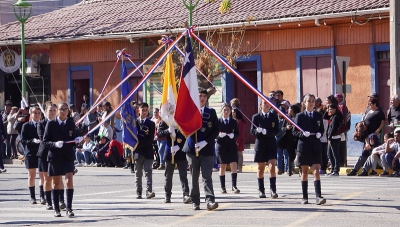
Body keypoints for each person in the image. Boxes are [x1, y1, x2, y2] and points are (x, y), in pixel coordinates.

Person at [43, 102, 83, 217]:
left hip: (68, 156)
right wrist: (55, 144)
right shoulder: (51, 124)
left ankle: (69, 208)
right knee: (56, 183)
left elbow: (74, 138)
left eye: (66, 109)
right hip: (55, 157)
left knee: (69, 180)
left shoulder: (71, 124)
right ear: (57, 110)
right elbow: (45, 142)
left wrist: (78, 140)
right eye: (61, 109)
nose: (63, 111)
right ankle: (56, 209)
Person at [183, 89, 219, 211]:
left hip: (207, 149)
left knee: (207, 176)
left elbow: (215, 130)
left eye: (204, 96)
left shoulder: (211, 112)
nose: (202, 98)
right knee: (194, 176)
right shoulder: (190, 112)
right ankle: (195, 201)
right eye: (200, 96)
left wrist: (206, 142)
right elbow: (184, 128)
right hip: (192, 149)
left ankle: (210, 200)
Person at [292, 93, 326, 205]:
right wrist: (303, 134)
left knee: (316, 171)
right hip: (304, 147)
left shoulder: (318, 115)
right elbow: (294, 132)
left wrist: (319, 134)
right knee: (305, 172)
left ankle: (318, 196)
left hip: (315, 146)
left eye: (313, 101)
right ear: (304, 103)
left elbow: (321, 129)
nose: (311, 103)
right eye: (309, 101)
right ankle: (304, 197)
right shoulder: (300, 116)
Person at [250, 100, 279, 199]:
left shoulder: (274, 117)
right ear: (261, 105)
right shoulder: (256, 117)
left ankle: (273, 190)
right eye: (264, 103)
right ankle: (261, 190)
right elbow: (252, 131)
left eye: (268, 103)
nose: (266, 105)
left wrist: (266, 131)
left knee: (272, 167)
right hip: (260, 145)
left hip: (271, 145)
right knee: (260, 168)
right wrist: (257, 131)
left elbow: (276, 131)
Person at [157, 120, 190, 203]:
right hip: (169, 150)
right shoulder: (166, 119)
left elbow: (188, 134)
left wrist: (179, 146)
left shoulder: (182, 118)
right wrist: (167, 131)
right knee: (168, 175)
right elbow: (159, 133)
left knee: (183, 175)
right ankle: (167, 195)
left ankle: (186, 194)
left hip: (181, 151)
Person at [21, 106, 44, 204]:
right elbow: (23, 140)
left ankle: (42, 196)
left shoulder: (43, 125)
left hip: (42, 152)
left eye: (39, 113)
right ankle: (32, 197)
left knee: (42, 175)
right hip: (30, 152)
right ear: (31, 114)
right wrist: (32, 141)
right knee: (31, 175)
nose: (37, 115)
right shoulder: (26, 125)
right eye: (35, 112)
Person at [37, 103, 58, 210]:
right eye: (50, 110)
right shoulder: (41, 123)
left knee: (58, 178)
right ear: (45, 112)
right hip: (45, 153)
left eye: (54, 110)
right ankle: (48, 201)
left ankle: (59, 201)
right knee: (47, 178)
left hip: (57, 153)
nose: (53, 112)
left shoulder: (59, 123)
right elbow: (43, 138)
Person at [216, 103, 240, 194]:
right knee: (222, 166)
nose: (226, 112)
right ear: (221, 111)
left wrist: (233, 135)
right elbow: (213, 134)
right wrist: (218, 135)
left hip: (231, 146)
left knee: (234, 164)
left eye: (228, 110)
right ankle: (223, 187)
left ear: (230, 112)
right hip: (221, 146)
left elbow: (237, 133)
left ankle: (234, 186)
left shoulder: (234, 122)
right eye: (224, 110)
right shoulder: (218, 121)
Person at [133, 103, 156, 199]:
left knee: (148, 172)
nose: (144, 112)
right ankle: (139, 191)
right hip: (138, 152)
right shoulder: (134, 123)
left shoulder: (151, 124)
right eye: (143, 110)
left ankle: (149, 191)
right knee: (138, 173)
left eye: (146, 110)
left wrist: (139, 144)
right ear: (139, 110)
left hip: (147, 151)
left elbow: (150, 139)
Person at [277, 104, 301, 176]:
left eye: (290, 109)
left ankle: (300, 169)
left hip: (297, 138)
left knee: (299, 154)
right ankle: (290, 169)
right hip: (289, 139)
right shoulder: (287, 118)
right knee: (291, 155)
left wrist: (294, 127)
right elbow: (282, 128)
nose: (288, 110)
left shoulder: (299, 117)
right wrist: (286, 128)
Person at [324, 103, 343, 176]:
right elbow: (325, 117)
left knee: (335, 155)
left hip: (334, 138)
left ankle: (336, 170)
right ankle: (332, 169)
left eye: (331, 109)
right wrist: (327, 110)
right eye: (329, 109)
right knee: (329, 154)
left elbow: (333, 128)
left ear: (335, 109)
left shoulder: (336, 117)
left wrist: (329, 138)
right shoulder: (332, 116)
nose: (329, 110)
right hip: (332, 138)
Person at [232, 108, 245, 172]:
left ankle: (239, 167)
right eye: (232, 112)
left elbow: (240, 133)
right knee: (234, 154)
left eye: (234, 112)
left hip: (239, 140)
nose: (233, 114)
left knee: (239, 154)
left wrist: (237, 141)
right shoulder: (233, 121)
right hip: (233, 140)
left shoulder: (240, 122)